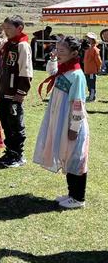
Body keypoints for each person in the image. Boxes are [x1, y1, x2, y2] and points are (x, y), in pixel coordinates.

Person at [34, 36, 89, 209]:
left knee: (76, 160)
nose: (58, 53)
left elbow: (78, 103)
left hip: (72, 123)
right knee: (66, 156)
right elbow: (52, 72)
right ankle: (71, 194)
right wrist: (52, 59)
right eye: (57, 49)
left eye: (62, 51)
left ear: (74, 53)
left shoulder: (76, 75)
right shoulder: (64, 70)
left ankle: (78, 198)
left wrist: (74, 127)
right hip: (61, 120)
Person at [0, 15, 33, 168]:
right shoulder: (6, 44)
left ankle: (18, 155)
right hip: (3, 91)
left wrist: (20, 92)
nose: (6, 31)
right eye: (5, 28)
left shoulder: (22, 46)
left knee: (15, 124)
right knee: (6, 123)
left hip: (14, 93)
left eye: (9, 28)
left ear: (19, 28)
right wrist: (1, 27)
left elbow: (26, 70)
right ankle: (10, 151)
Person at [83, 32, 102, 102]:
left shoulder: (94, 49)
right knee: (88, 83)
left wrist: (99, 68)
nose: (87, 39)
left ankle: (92, 97)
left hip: (92, 70)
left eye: (89, 38)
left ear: (93, 40)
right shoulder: (87, 48)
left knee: (91, 83)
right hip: (87, 70)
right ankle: (90, 95)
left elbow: (98, 60)